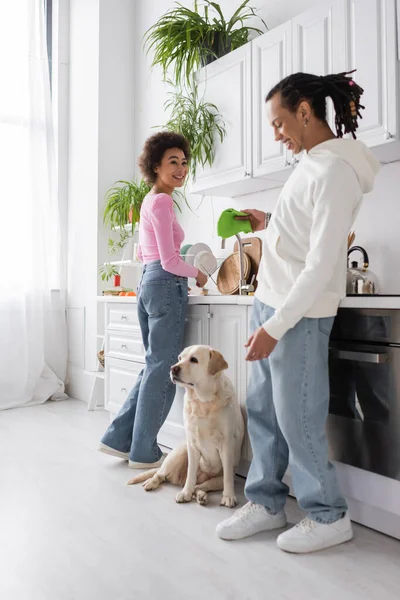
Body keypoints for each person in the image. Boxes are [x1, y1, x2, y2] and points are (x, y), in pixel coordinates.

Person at [216, 72, 380, 553]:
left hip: (298, 315)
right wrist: (268, 222)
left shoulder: (336, 172)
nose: (277, 134)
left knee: (297, 419)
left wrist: (273, 325)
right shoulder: (312, 163)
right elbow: (302, 233)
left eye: (280, 122)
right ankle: (267, 504)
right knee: (266, 413)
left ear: (305, 111)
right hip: (271, 301)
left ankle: (328, 514)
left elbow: (323, 262)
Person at [99, 132, 207, 468]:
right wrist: (198, 275)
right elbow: (170, 260)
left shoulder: (150, 201)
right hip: (164, 285)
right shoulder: (161, 202)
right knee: (162, 371)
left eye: (184, 162)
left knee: (153, 367)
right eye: (172, 162)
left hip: (149, 284)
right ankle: (144, 451)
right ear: (156, 166)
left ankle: (118, 439)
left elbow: (157, 259)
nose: (181, 168)